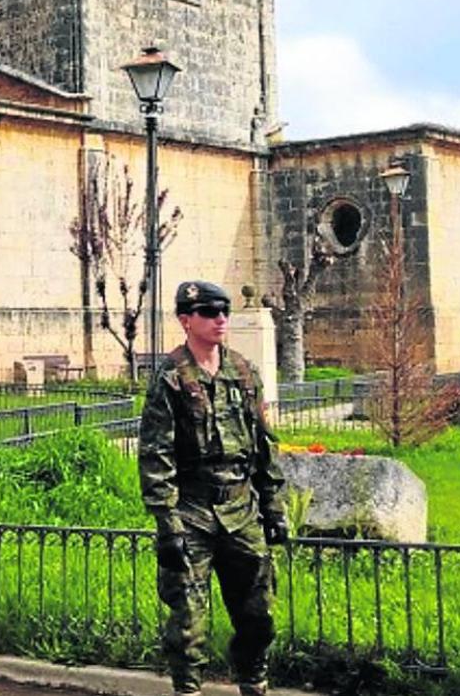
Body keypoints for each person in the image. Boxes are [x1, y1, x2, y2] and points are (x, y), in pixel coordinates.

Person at [138, 281, 288, 696]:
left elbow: (264, 446)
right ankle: (188, 689)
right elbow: (156, 456)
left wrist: (274, 509)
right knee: (189, 623)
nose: (221, 318)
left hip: (241, 512)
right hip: (193, 514)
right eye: (209, 311)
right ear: (187, 320)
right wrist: (168, 526)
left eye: (224, 310)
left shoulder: (243, 372)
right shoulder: (171, 378)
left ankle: (254, 684)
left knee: (259, 615)